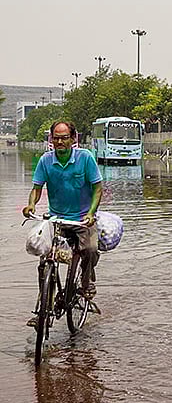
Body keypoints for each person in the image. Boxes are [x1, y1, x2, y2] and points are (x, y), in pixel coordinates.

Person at [23, 121, 103, 300]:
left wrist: (91, 213)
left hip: (82, 219)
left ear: (73, 139)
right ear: (51, 139)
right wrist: (31, 205)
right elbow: (37, 188)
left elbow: (98, 188)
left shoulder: (85, 158)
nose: (60, 142)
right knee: (45, 258)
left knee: (90, 249)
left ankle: (86, 281)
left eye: (64, 138)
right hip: (56, 219)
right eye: (56, 138)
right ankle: (44, 304)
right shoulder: (45, 160)